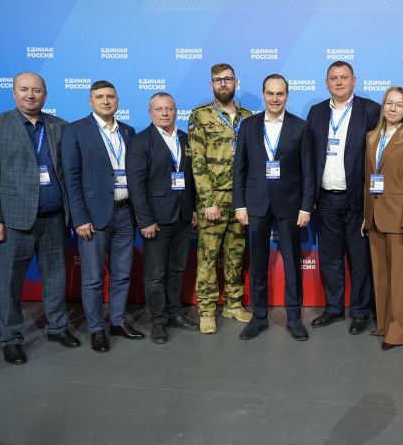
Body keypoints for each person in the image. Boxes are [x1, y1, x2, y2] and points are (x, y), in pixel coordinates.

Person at [0, 72, 80, 365]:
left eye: (36, 90)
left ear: (45, 95)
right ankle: (11, 339)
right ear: (14, 93)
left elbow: (69, 174)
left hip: (54, 218)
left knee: (56, 277)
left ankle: (57, 327)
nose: (30, 95)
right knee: (10, 283)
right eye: (24, 89)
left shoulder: (60, 126)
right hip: (13, 221)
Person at [61, 80, 144, 353]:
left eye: (110, 96)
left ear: (117, 100)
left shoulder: (128, 131)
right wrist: (79, 218)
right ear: (90, 101)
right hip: (93, 218)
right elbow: (71, 179)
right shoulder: (75, 131)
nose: (106, 101)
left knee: (122, 274)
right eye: (99, 97)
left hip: (125, 214)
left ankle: (117, 321)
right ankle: (97, 328)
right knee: (93, 278)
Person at [232, 75, 315, 341]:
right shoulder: (248, 126)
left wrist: (306, 207)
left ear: (287, 96)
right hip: (255, 203)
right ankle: (258, 318)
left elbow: (308, 171)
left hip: (290, 204)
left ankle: (294, 318)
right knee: (257, 264)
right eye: (270, 93)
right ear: (264, 94)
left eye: (280, 94)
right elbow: (239, 168)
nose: (275, 99)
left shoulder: (300, 127)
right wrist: (239, 204)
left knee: (292, 265)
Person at [306, 61, 381, 335]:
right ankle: (334, 308)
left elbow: (378, 157)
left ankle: (360, 312)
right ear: (327, 83)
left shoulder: (371, 110)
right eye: (334, 78)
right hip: (325, 198)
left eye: (344, 77)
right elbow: (308, 156)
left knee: (359, 259)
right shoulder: (316, 112)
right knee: (330, 257)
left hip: (357, 199)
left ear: (354, 80)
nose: (339, 82)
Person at [127, 93, 199, 344]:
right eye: (159, 109)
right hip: (155, 219)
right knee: (155, 274)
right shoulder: (140, 141)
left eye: (169, 108)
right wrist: (144, 220)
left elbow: (192, 177)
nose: (165, 113)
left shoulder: (186, 139)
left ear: (176, 111)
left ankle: (174, 313)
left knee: (177, 270)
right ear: (150, 113)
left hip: (182, 216)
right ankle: (158, 320)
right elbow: (136, 185)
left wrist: (193, 207)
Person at [189, 63, 253, 333]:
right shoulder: (200, 115)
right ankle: (206, 310)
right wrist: (208, 202)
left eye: (228, 79)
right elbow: (197, 163)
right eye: (218, 80)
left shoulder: (248, 117)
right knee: (208, 257)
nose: (223, 83)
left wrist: (247, 201)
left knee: (235, 255)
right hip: (213, 200)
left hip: (240, 201)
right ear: (211, 84)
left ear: (236, 83)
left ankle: (233, 304)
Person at [363, 86, 403, 350]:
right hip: (375, 217)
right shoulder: (371, 137)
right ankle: (384, 325)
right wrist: (366, 215)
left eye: (399, 104)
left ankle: (398, 332)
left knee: (399, 280)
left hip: (399, 220)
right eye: (389, 103)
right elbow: (367, 180)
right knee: (381, 275)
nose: (393, 108)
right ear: (383, 106)